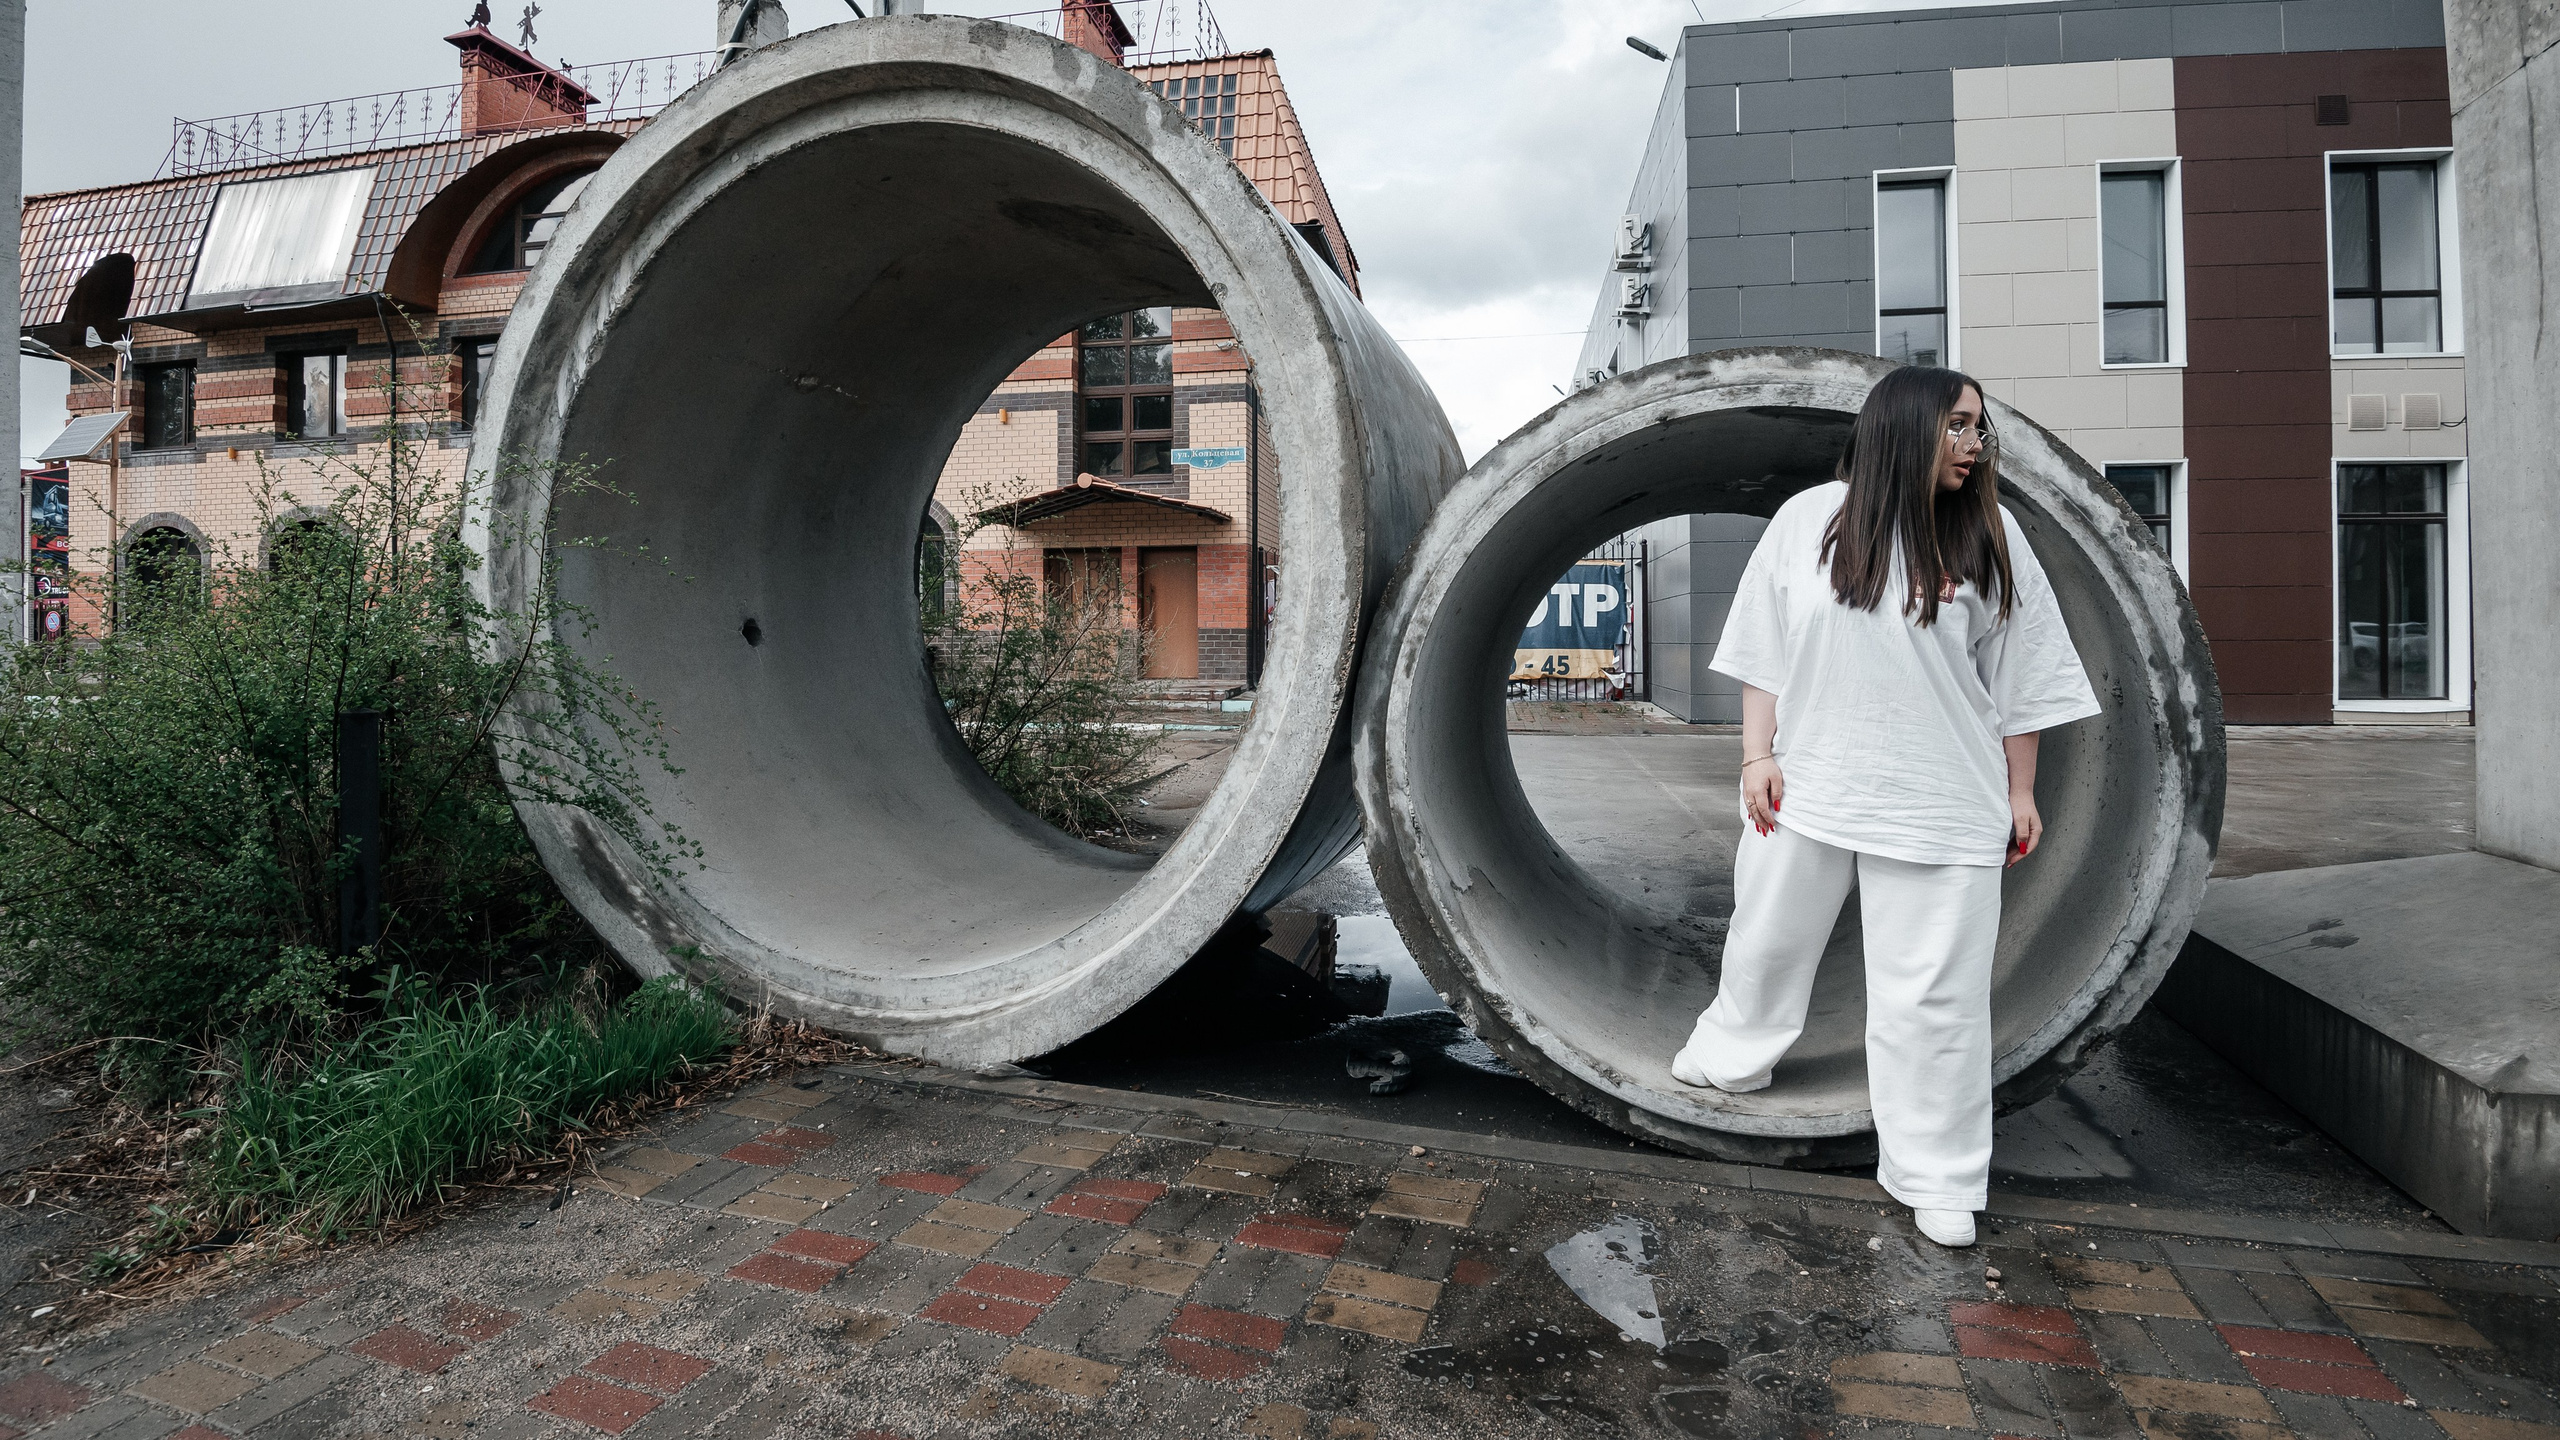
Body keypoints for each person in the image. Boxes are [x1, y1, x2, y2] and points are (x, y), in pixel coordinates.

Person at [1668, 365, 2100, 1249]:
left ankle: (1936, 1175)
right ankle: (1733, 1057)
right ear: (1904, 429)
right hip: (1812, 780)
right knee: (1770, 934)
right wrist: (1756, 755)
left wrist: (2020, 793)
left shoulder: (1991, 532)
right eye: (1958, 427)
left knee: (1933, 997)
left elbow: (2023, 682)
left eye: (1980, 429)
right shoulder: (1809, 521)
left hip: (1944, 800)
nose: (1975, 445)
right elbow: (1766, 646)